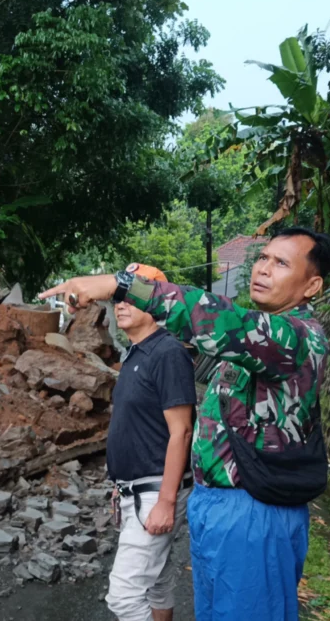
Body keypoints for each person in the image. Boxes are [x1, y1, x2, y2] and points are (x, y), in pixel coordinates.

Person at [40, 226, 330, 621]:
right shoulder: (254, 345)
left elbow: (212, 317)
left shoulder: (294, 337)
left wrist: (118, 285)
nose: (263, 269)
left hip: (254, 512)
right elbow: (205, 336)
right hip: (217, 508)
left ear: (312, 285)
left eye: (281, 263)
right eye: (262, 257)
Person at [104, 265, 197, 621]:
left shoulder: (167, 353)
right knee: (157, 579)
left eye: (132, 296)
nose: (121, 304)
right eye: (117, 297)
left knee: (124, 597)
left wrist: (166, 502)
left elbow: (182, 431)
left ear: (157, 301)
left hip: (154, 491)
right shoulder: (136, 353)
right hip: (135, 489)